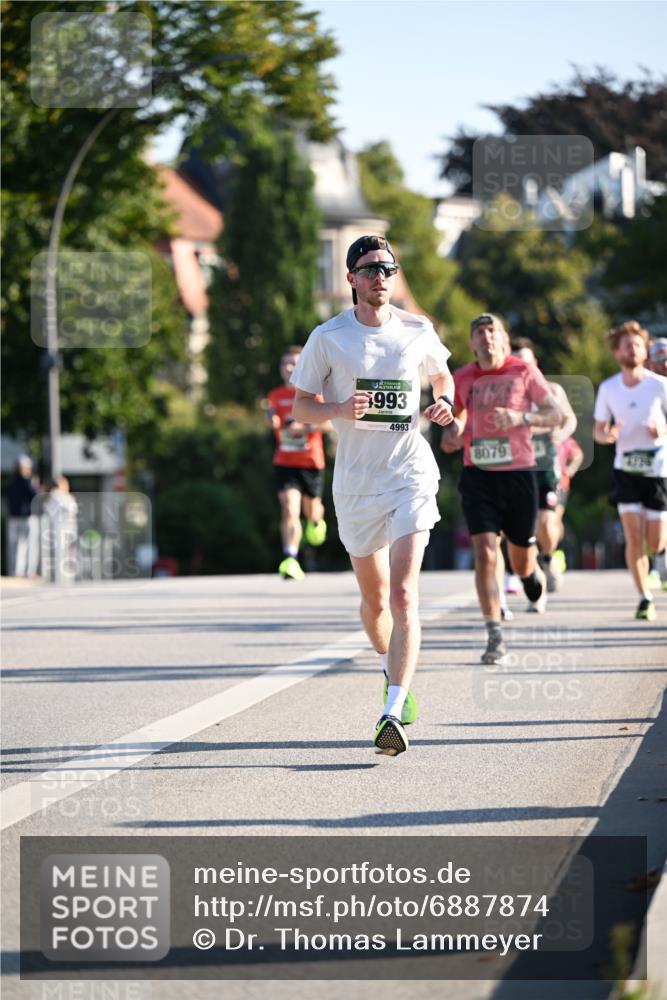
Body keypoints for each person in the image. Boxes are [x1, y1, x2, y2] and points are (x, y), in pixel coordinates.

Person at [291, 235, 454, 756]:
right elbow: (301, 408)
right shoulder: (329, 337)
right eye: (371, 268)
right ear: (351, 279)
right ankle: (392, 668)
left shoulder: (416, 328)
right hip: (356, 484)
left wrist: (445, 402)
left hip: (409, 473)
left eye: (389, 267)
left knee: (405, 594)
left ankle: (394, 707)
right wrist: (339, 409)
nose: (382, 276)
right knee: (375, 598)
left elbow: (441, 374)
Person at [441, 313, 563, 665]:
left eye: (492, 330)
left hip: (519, 474)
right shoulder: (461, 377)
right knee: (485, 554)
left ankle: (530, 574)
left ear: (503, 339)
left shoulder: (522, 372)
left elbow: (553, 413)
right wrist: (451, 435)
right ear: (472, 343)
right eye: (479, 331)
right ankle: (494, 634)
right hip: (477, 474)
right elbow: (456, 419)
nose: (486, 336)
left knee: (520, 557)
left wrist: (522, 418)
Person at [593, 321, 667, 619]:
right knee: (633, 536)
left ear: (644, 350)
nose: (632, 349)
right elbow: (598, 430)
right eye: (627, 345)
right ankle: (644, 597)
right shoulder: (609, 388)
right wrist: (606, 436)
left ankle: (660, 555)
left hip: (658, 470)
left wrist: (661, 428)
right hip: (625, 470)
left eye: (637, 344)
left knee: (655, 540)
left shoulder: (659, 385)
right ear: (617, 352)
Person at [510, 337, 578, 593]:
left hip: (547, 467)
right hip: (517, 467)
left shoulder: (552, 390)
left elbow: (569, 420)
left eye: (525, 362)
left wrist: (558, 435)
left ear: (534, 363)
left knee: (547, 521)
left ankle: (548, 558)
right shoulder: (507, 393)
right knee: (521, 525)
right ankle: (528, 570)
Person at [266, 346, 329, 580]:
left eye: (294, 363)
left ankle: (316, 521)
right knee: (289, 508)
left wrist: (303, 427)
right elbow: (272, 418)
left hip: (311, 462)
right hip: (284, 461)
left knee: (311, 509)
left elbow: (329, 424)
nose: (289, 368)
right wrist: (271, 420)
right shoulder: (275, 395)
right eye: (285, 364)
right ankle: (290, 559)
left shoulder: (314, 394)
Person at [6, 455, 39, 577]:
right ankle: (29, 571)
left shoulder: (11, 483)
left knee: (15, 546)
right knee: (29, 545)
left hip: (13, 517)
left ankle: (16, 571)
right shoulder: (27, 481)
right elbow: (35, 496)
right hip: (26, 517)